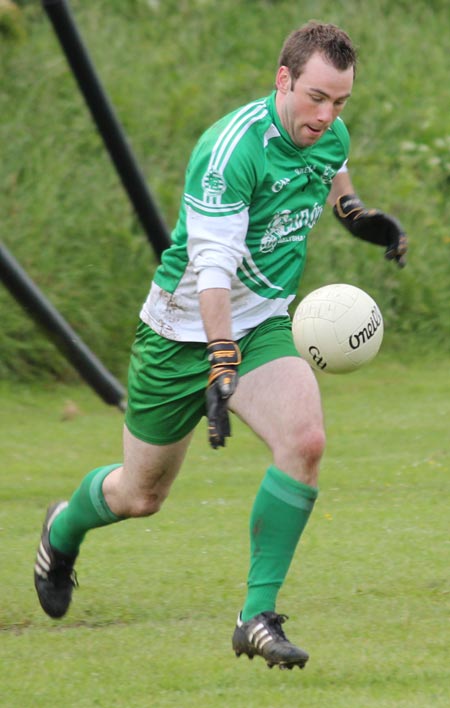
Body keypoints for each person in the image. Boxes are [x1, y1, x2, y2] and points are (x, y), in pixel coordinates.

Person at [34, 21, 407, 670]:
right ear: (283, 80)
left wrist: (362, 218)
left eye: (341, 102)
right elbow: (212, 269)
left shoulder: (330, 134)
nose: (327, 116)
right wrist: (220, 357)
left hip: (262, 324)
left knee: (305, 442)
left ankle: (255, 616)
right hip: (179, 333)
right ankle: (62, 528)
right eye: (317, 98)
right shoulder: (230, 151)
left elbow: (338, 187)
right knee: (139, 497)